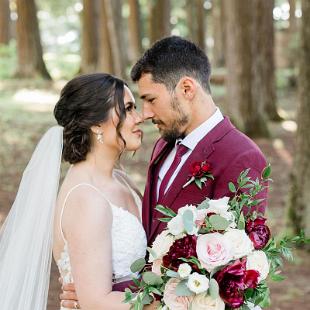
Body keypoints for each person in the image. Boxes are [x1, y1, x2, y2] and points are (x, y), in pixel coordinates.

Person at [60, 36, 267, 308]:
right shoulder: (163, 145)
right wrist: (94, 295)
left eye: (150, 99)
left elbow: (238, 273)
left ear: (186, 89)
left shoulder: (242, 157)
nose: (145, 114)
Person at [0, 73, 159, 310]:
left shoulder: (122, 179)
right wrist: (173, 301)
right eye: (127, 109)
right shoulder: (86, 198)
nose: (139, 118)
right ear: (96, 123)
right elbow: (96, 301)